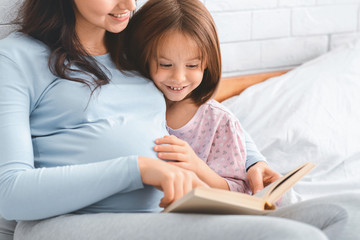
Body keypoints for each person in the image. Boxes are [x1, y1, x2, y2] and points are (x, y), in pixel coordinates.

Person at [0, 0, 359, 240]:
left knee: (347, 212)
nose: (127, 4)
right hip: (67, 224)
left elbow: (194, 97)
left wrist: (253, 159)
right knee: (295, 238)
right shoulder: (18, 58)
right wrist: (139, 169)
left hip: (166, 216)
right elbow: (9, 193)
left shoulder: (136, 50)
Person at [118, 0, 277, 194]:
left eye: (192, 66)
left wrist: (197, 166)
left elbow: (239, 191)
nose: (178, 78)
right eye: (166, 65)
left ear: (207, 63)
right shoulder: (132, 105)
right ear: (143, 58)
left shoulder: (219, 122)